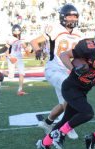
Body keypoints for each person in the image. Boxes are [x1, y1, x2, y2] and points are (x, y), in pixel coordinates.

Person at [30, 4, 82, 139]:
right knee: (71, 93)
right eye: (69, 16)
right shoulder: (55, 28)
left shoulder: (79, 34)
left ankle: (47, 122)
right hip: (54, 68)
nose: (72, 19)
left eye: (74, 16)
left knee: (63, 102)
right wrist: (37, 49)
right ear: (63, 17)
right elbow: (34, 41)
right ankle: (67, 125)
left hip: (67, 71)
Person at [6, 24, 30, 96]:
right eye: (15, 31)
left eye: (18, 30)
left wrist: (27, 50)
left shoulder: (22, 38)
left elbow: (24, 46)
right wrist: (10, 58)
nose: (17, 32)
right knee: (11, 76)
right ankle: (3, 73)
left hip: (19, 57)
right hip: (11, 57)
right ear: (12, 31)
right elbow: (6, 52)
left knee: (22, 73)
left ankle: (20, 90)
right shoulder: (10, 39)